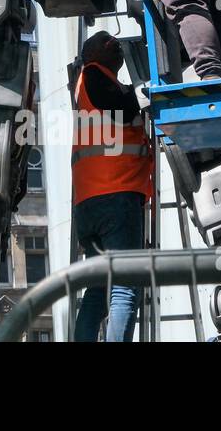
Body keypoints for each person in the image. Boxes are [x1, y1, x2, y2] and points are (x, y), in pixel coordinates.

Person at [71, 30, 153, 342]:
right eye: (111, 46)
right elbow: (123, 110)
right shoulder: (94, 77)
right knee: (124, 288)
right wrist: (147, 91)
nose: (118, 50)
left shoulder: (85, 85)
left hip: (90, 200)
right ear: (95, 55)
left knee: (97, 289)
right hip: (114, 194)